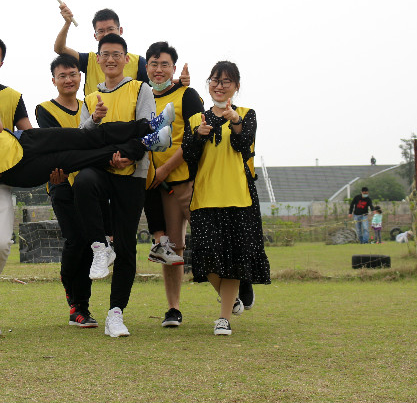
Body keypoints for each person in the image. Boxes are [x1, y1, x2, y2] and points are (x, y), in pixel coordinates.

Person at [0, 58, 172, 339]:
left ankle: (146, 131)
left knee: (80, 137)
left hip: (22, 143)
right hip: (9, 173)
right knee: (77, 157)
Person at [72, 33, 172, 337]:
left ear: (127, 59)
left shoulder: (140, 88)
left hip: (133, 172)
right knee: (84, 181)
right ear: (98, 60)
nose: (111, 59)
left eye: (117, 54)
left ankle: (116, 313)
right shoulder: (90, 99)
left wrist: (127, 157)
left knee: (127, 245)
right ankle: (100, 246)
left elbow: (145, 131)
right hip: (102, 168)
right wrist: (95, 120)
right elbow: (83, 138)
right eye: (105, 54)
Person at [182, 61, 270, 336]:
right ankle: (232, 298)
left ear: (236, 86)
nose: (220, 86)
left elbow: (244, 146)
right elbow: (188, 156)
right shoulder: (197, 119)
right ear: (208, 84)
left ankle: (223, 319)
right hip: (204, 198)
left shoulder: (247, 114)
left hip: (238, 197)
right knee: (207, 259)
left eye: (226, 82)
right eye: (215, 81)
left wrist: (234, 121)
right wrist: (198, 136)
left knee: (231, 260)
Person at [35, 53, 107, 328]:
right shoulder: (44, 109)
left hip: (91, 183)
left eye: (73, 74)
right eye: (62, 75)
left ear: (81, 77)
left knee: (92, 243)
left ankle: (82, 307)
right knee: (75, 240)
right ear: (54, 80)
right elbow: (58, 145)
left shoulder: (92, 104)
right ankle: (74, 302)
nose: (68, 79)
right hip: (61, 182)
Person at [141, 42, 204, 328]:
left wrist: (166, 168)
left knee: (210, 239)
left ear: (174, 68)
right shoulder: (140, 96)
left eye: (165, 64)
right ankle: (173, 308)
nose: (158, 69)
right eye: (153, 63)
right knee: (172, 247)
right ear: (146, 67)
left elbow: (193, 138)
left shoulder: (187, 94)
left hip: (191, 181)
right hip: (161, 187)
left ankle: (235, 292)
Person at [54, 4, 189, 96]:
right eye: (101, 31)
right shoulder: (89, 60)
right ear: (95, 36)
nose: (106, 34)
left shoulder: (137, 62)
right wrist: (67, 23)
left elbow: (156, 83)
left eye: (110, 29)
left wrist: (179, 81)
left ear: (120, 30)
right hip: (95, 126)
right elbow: (60, 49)